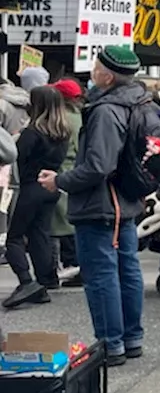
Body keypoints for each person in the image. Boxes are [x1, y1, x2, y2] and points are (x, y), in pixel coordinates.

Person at [38, 46, 160, 367]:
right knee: (126, 270)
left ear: (107, 75)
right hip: (126, 201)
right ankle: (130, 338)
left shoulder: (107, 110)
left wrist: (60, 181)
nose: (91, 72)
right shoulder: (143, 103)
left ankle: (111, 343)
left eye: (95, 67)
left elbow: (98, 165)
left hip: (101, 204)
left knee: (101, 275)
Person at [4, 86, 72, 308]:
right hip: (50, 187)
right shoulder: (63, 132)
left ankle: (26, 281)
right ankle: (46, 279)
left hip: (29, 187)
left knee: (13, 236)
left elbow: (17, 159)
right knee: (39, 234)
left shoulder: (33, 132)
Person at [50, 78, 84, 284]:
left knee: (61, 223)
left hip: (63, 170)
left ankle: (71, 264)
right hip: (76, 170)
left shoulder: (63, 119)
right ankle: (75, 264)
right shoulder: (80, 116)